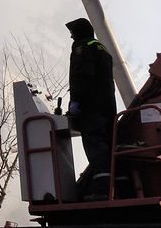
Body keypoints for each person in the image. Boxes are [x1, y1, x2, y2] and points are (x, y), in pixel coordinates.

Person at [65, 17, 117, 200]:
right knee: (110, 147)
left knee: (95, 146)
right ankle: (118, 187)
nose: (71, 36)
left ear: (79, 31)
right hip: (108, 106)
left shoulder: (83, 46)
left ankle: (102, 191)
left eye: (72, 32)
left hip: (91, 108)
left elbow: (82, 75)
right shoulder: (103, 49)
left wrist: (76, 101)